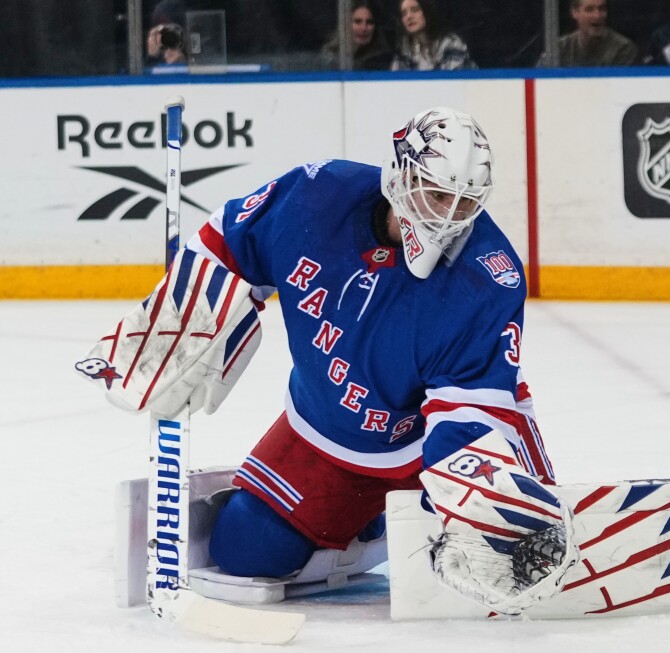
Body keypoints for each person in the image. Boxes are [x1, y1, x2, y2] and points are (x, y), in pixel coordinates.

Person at [78, 107, 573, 613]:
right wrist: (182, 319)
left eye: (465, 201)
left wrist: (459, 503)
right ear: (400, 173)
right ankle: (369, 525)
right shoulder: (316, 196)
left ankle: (460, 509)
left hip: (431, 440)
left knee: (487, 555)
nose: (448, 216)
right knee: (241, 548)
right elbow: (230, 240)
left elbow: (471, 409)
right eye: (438, 193)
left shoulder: (488, 275)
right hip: (324, 431)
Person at [540, 0, 638, 67]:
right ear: (575, 12)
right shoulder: (560, 48)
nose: (597, 15)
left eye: (601, 9)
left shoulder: (623, 49)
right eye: (589, 9)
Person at [391, 0, 476, 70]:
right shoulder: (404, 49)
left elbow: (451, 84)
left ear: (427, 11)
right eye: (404, 13)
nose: (408, 16)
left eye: (415, 10)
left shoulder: (451, 44)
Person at [321, 0, 393, 71]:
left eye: (369, 22)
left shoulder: (384, 61)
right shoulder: (329, 59)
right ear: (345, 24)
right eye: (357, 22)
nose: (364, 28)